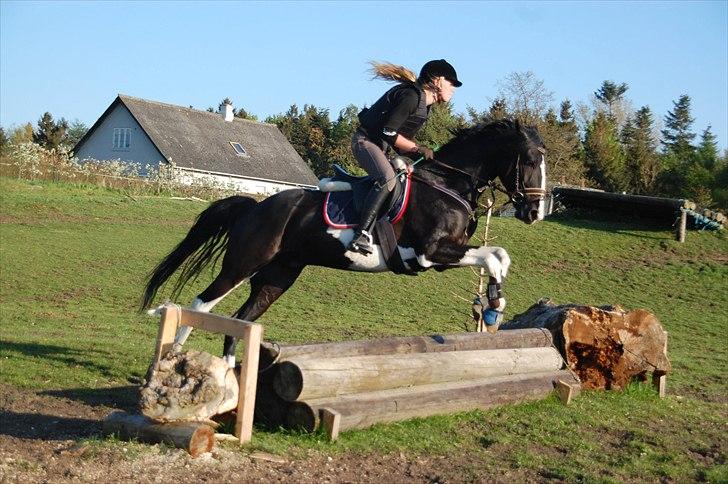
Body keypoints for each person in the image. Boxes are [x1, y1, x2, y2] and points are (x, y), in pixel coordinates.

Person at [348, 59, 462, 255]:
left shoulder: (424, 105)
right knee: (388, 179)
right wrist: (417, 148)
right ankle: (361, 235)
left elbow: (398, 140)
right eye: (451, 82)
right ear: (437, 80)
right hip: (364, 142)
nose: (454, 88)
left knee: (407, 177)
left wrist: (414, 158)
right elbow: (388, 132)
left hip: (380, 147)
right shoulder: (410, 97)